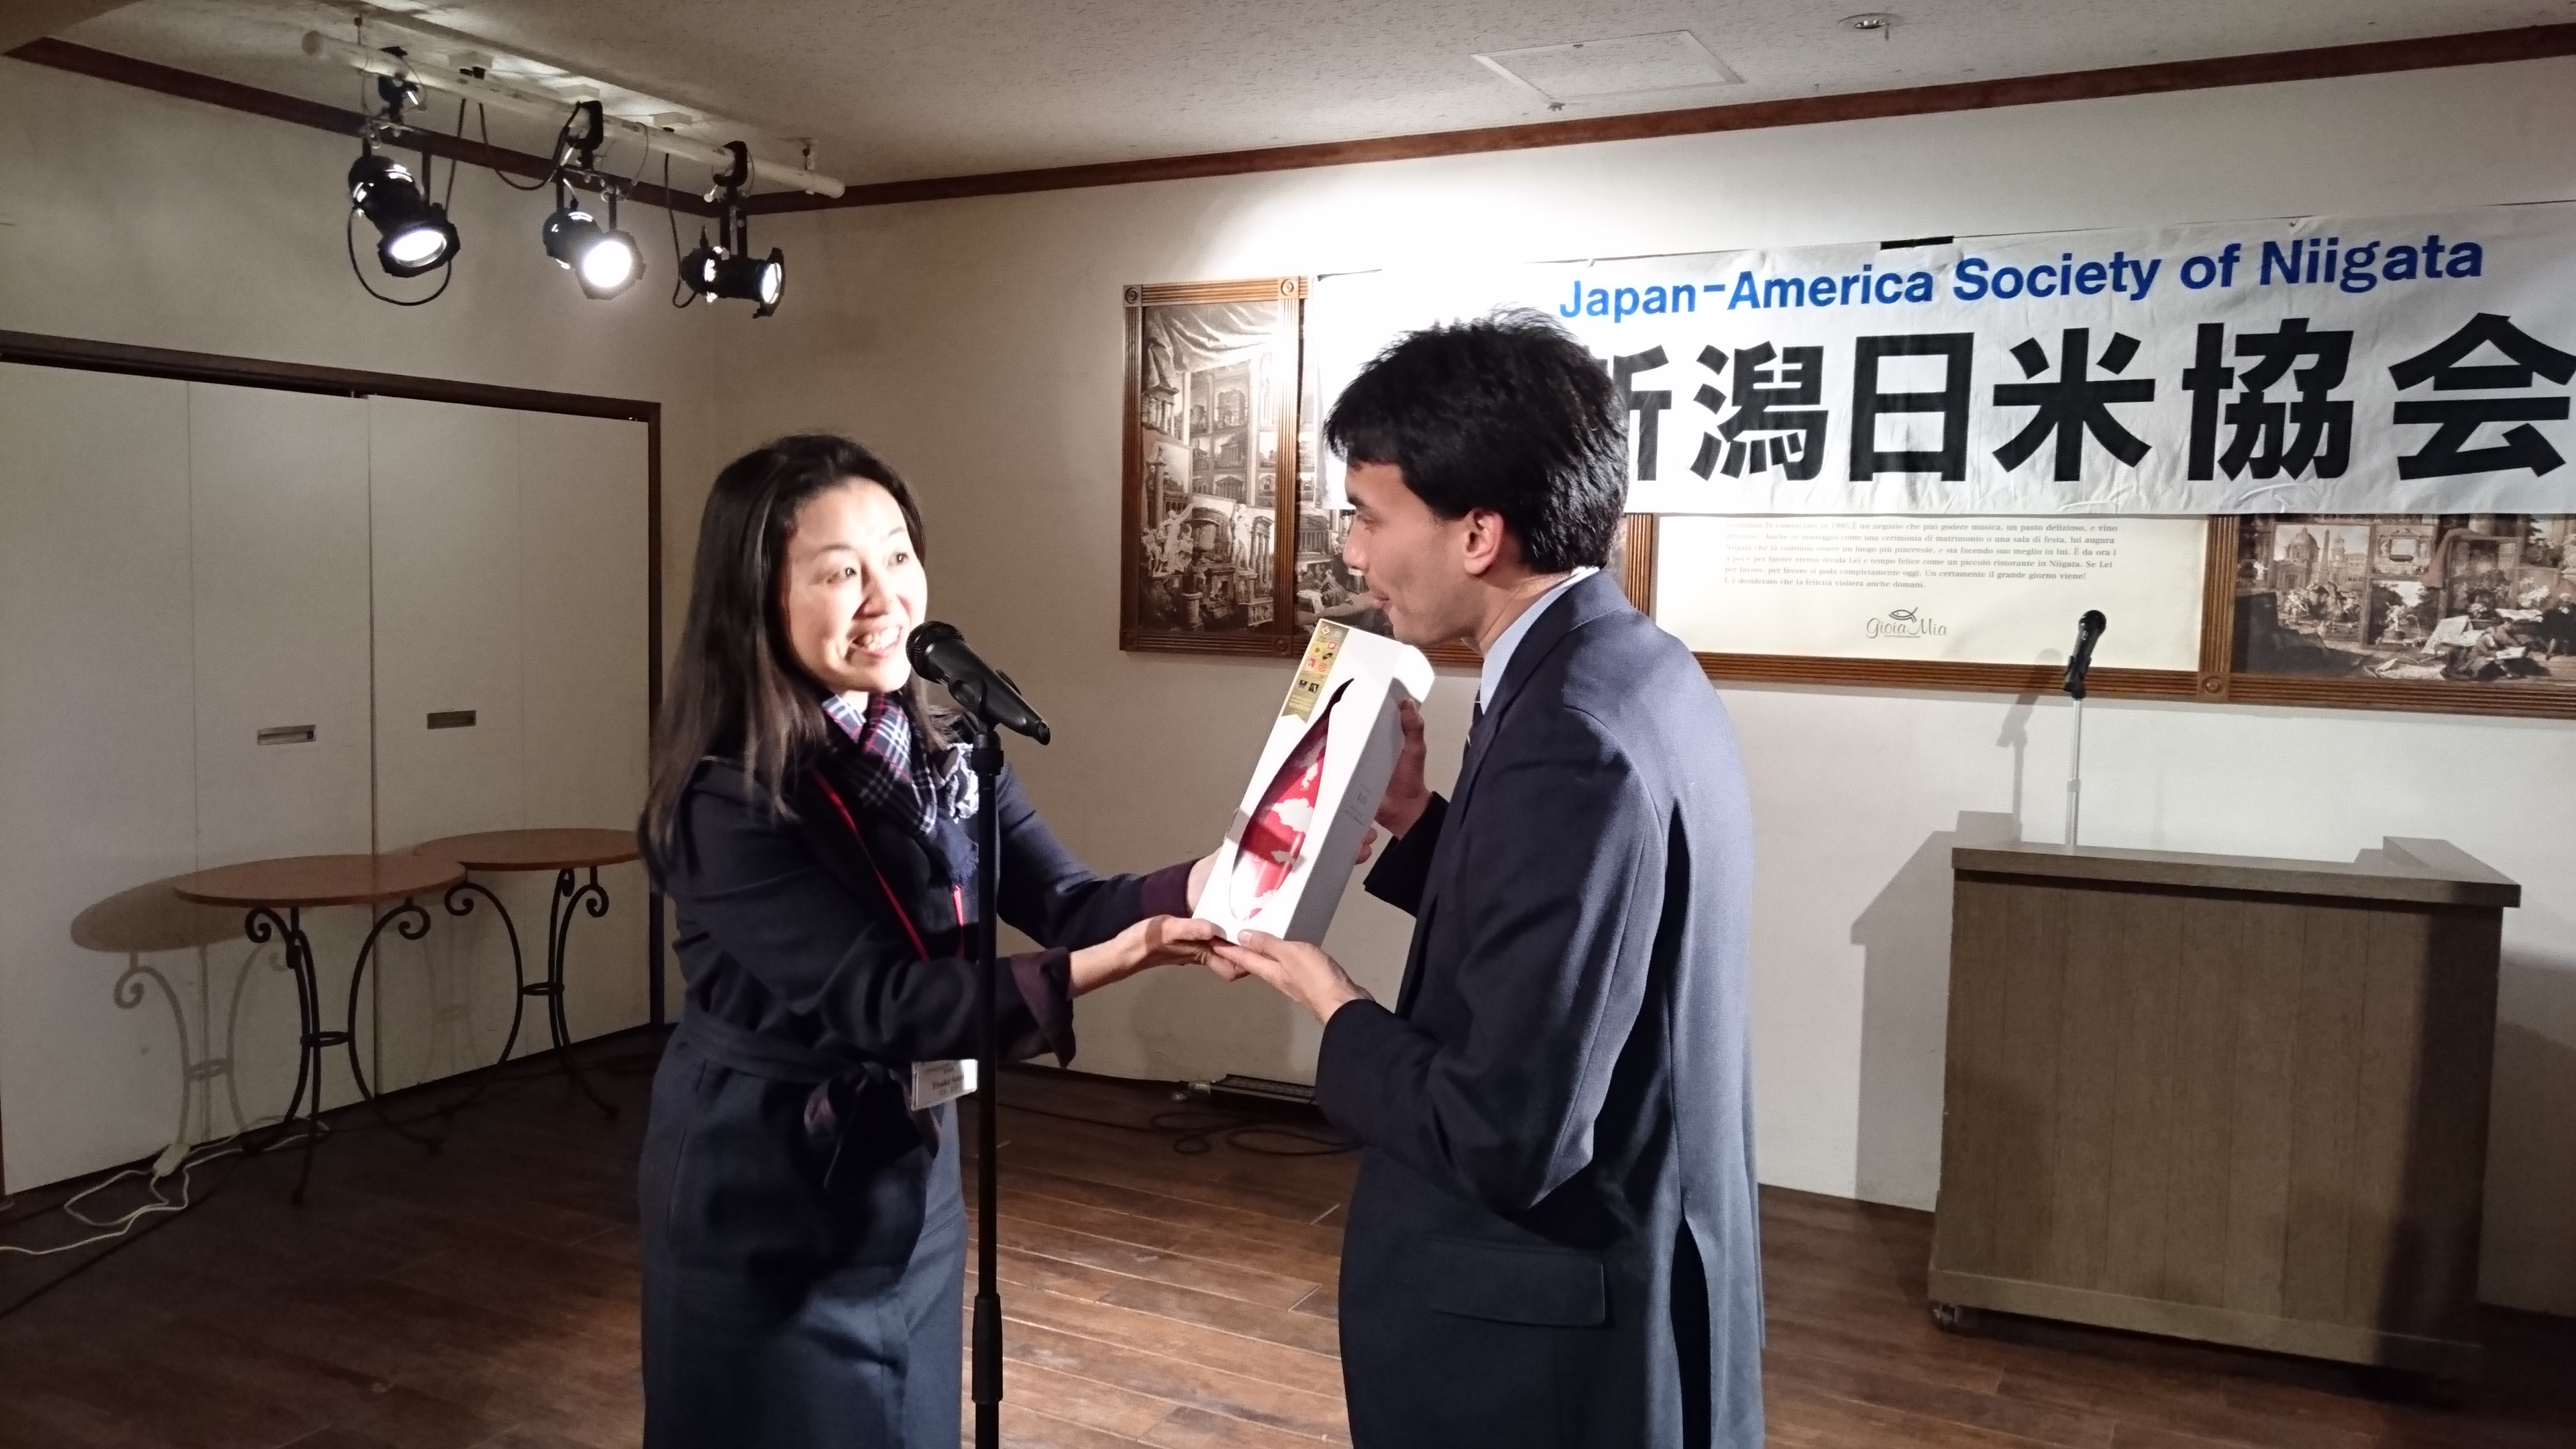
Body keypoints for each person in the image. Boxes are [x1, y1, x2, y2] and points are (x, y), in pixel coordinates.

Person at [1214, 312, 1764, 1448]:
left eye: (1368, 516)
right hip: (1636, 1260)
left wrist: (1333, 1003)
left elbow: (1508, 1135)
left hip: (1542, 1336)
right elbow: (1581, 935)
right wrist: (1418, 823)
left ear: (1477, 534)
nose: (1353, 554)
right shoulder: (1631, 666)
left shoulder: (1571, 733)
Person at [637, 433, 1222, 1448]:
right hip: (770, 1182)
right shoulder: (725, 797)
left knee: (911, 1422)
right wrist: (1119, 961)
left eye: (898, 557)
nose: (885, 599)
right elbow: (883, 1003)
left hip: (910, 1168)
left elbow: (1068, 899)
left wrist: (1212, 880)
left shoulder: (947, 745)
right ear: (757, 598)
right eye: (839, 573)